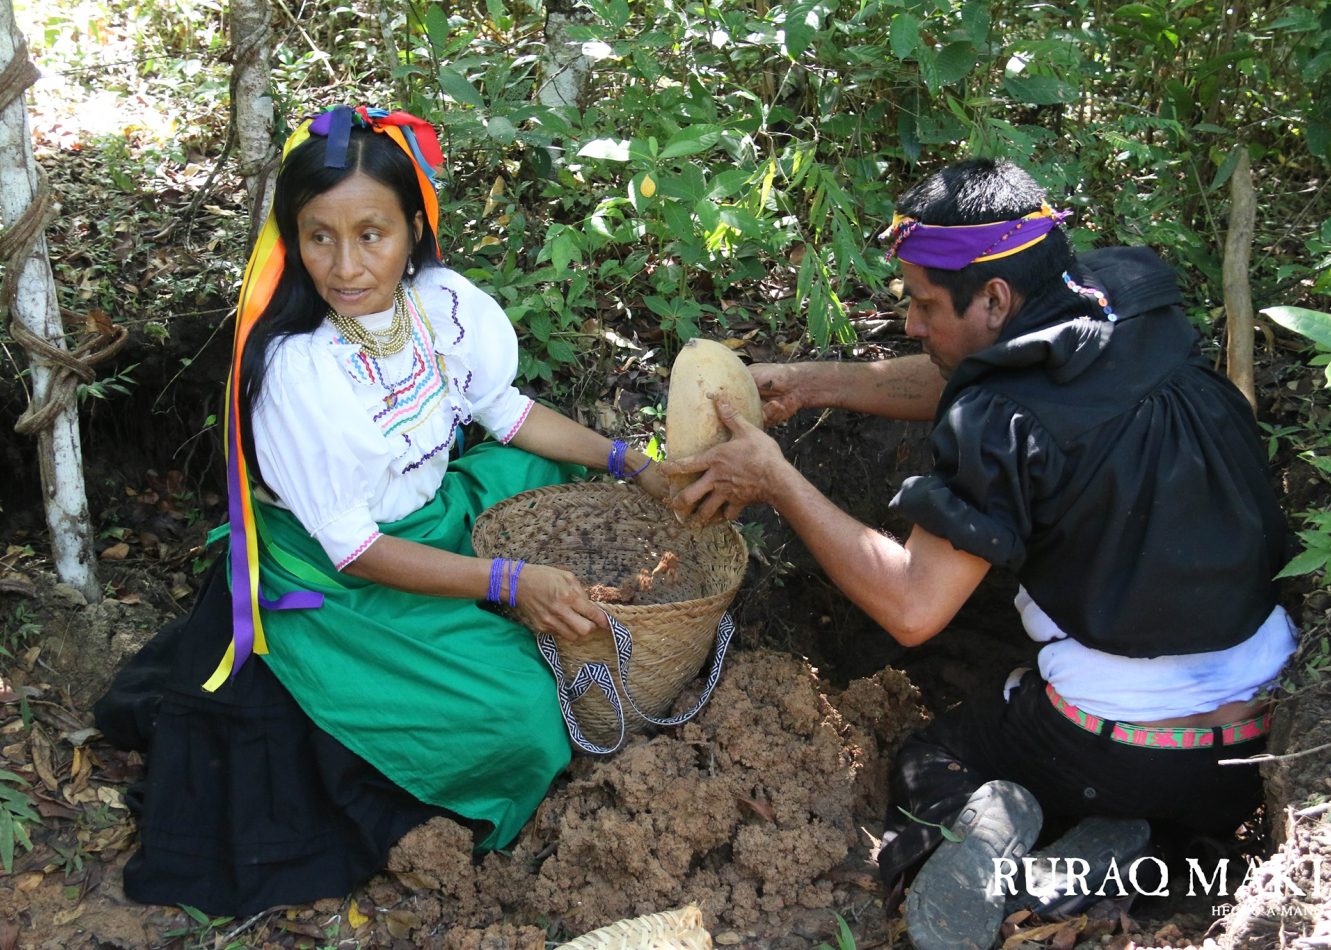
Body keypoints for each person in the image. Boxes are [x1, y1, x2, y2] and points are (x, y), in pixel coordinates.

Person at [662, 159, 1294, 950]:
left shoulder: (998, 420)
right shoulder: (1126, 301)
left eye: (925, 305)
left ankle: (1032, 880)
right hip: (1257, 733)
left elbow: (912, 609)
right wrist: (813, 382)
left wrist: (777, 479)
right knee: (1153, 798)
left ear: (993, 298)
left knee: (932, 758)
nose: (913, 327)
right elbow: (982, 376)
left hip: (1124, 743)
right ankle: (1168, 852)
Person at [95, 106, 668, 915]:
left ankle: (497, 594)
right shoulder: (299, 370)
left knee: (535, 460)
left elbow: (503, 411)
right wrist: (506, 579)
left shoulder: (437, 304)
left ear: (414, 232)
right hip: (350, 572)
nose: (345, 265)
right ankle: (433, 670)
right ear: (291, 238)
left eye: (373, 233)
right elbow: (356, 550)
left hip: (425, 512)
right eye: (318, 235)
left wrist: (631, 462)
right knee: (526, 716)